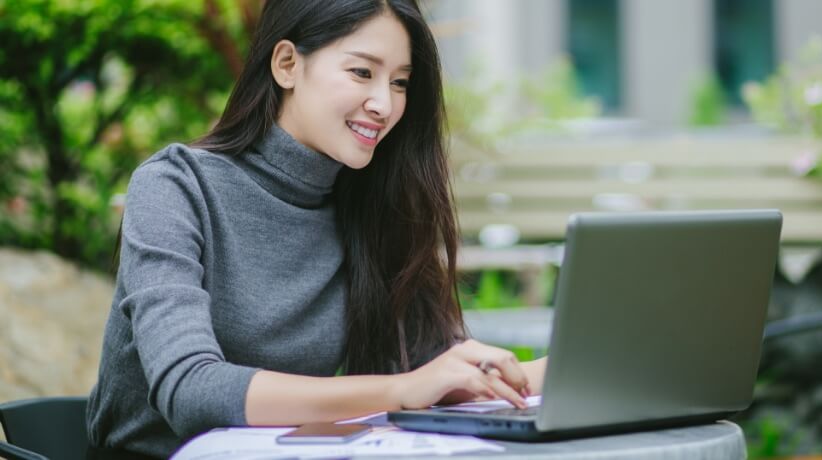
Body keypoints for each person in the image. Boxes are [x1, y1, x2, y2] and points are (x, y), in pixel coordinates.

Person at [85, 0, 546, 457]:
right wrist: (402, 389)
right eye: (362, 72)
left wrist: (586, 368)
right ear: (287, 64)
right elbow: (191, 390)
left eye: (400, 82)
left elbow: (439, 368)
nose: (384, 104)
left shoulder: (369, 203)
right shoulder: (175, 187)